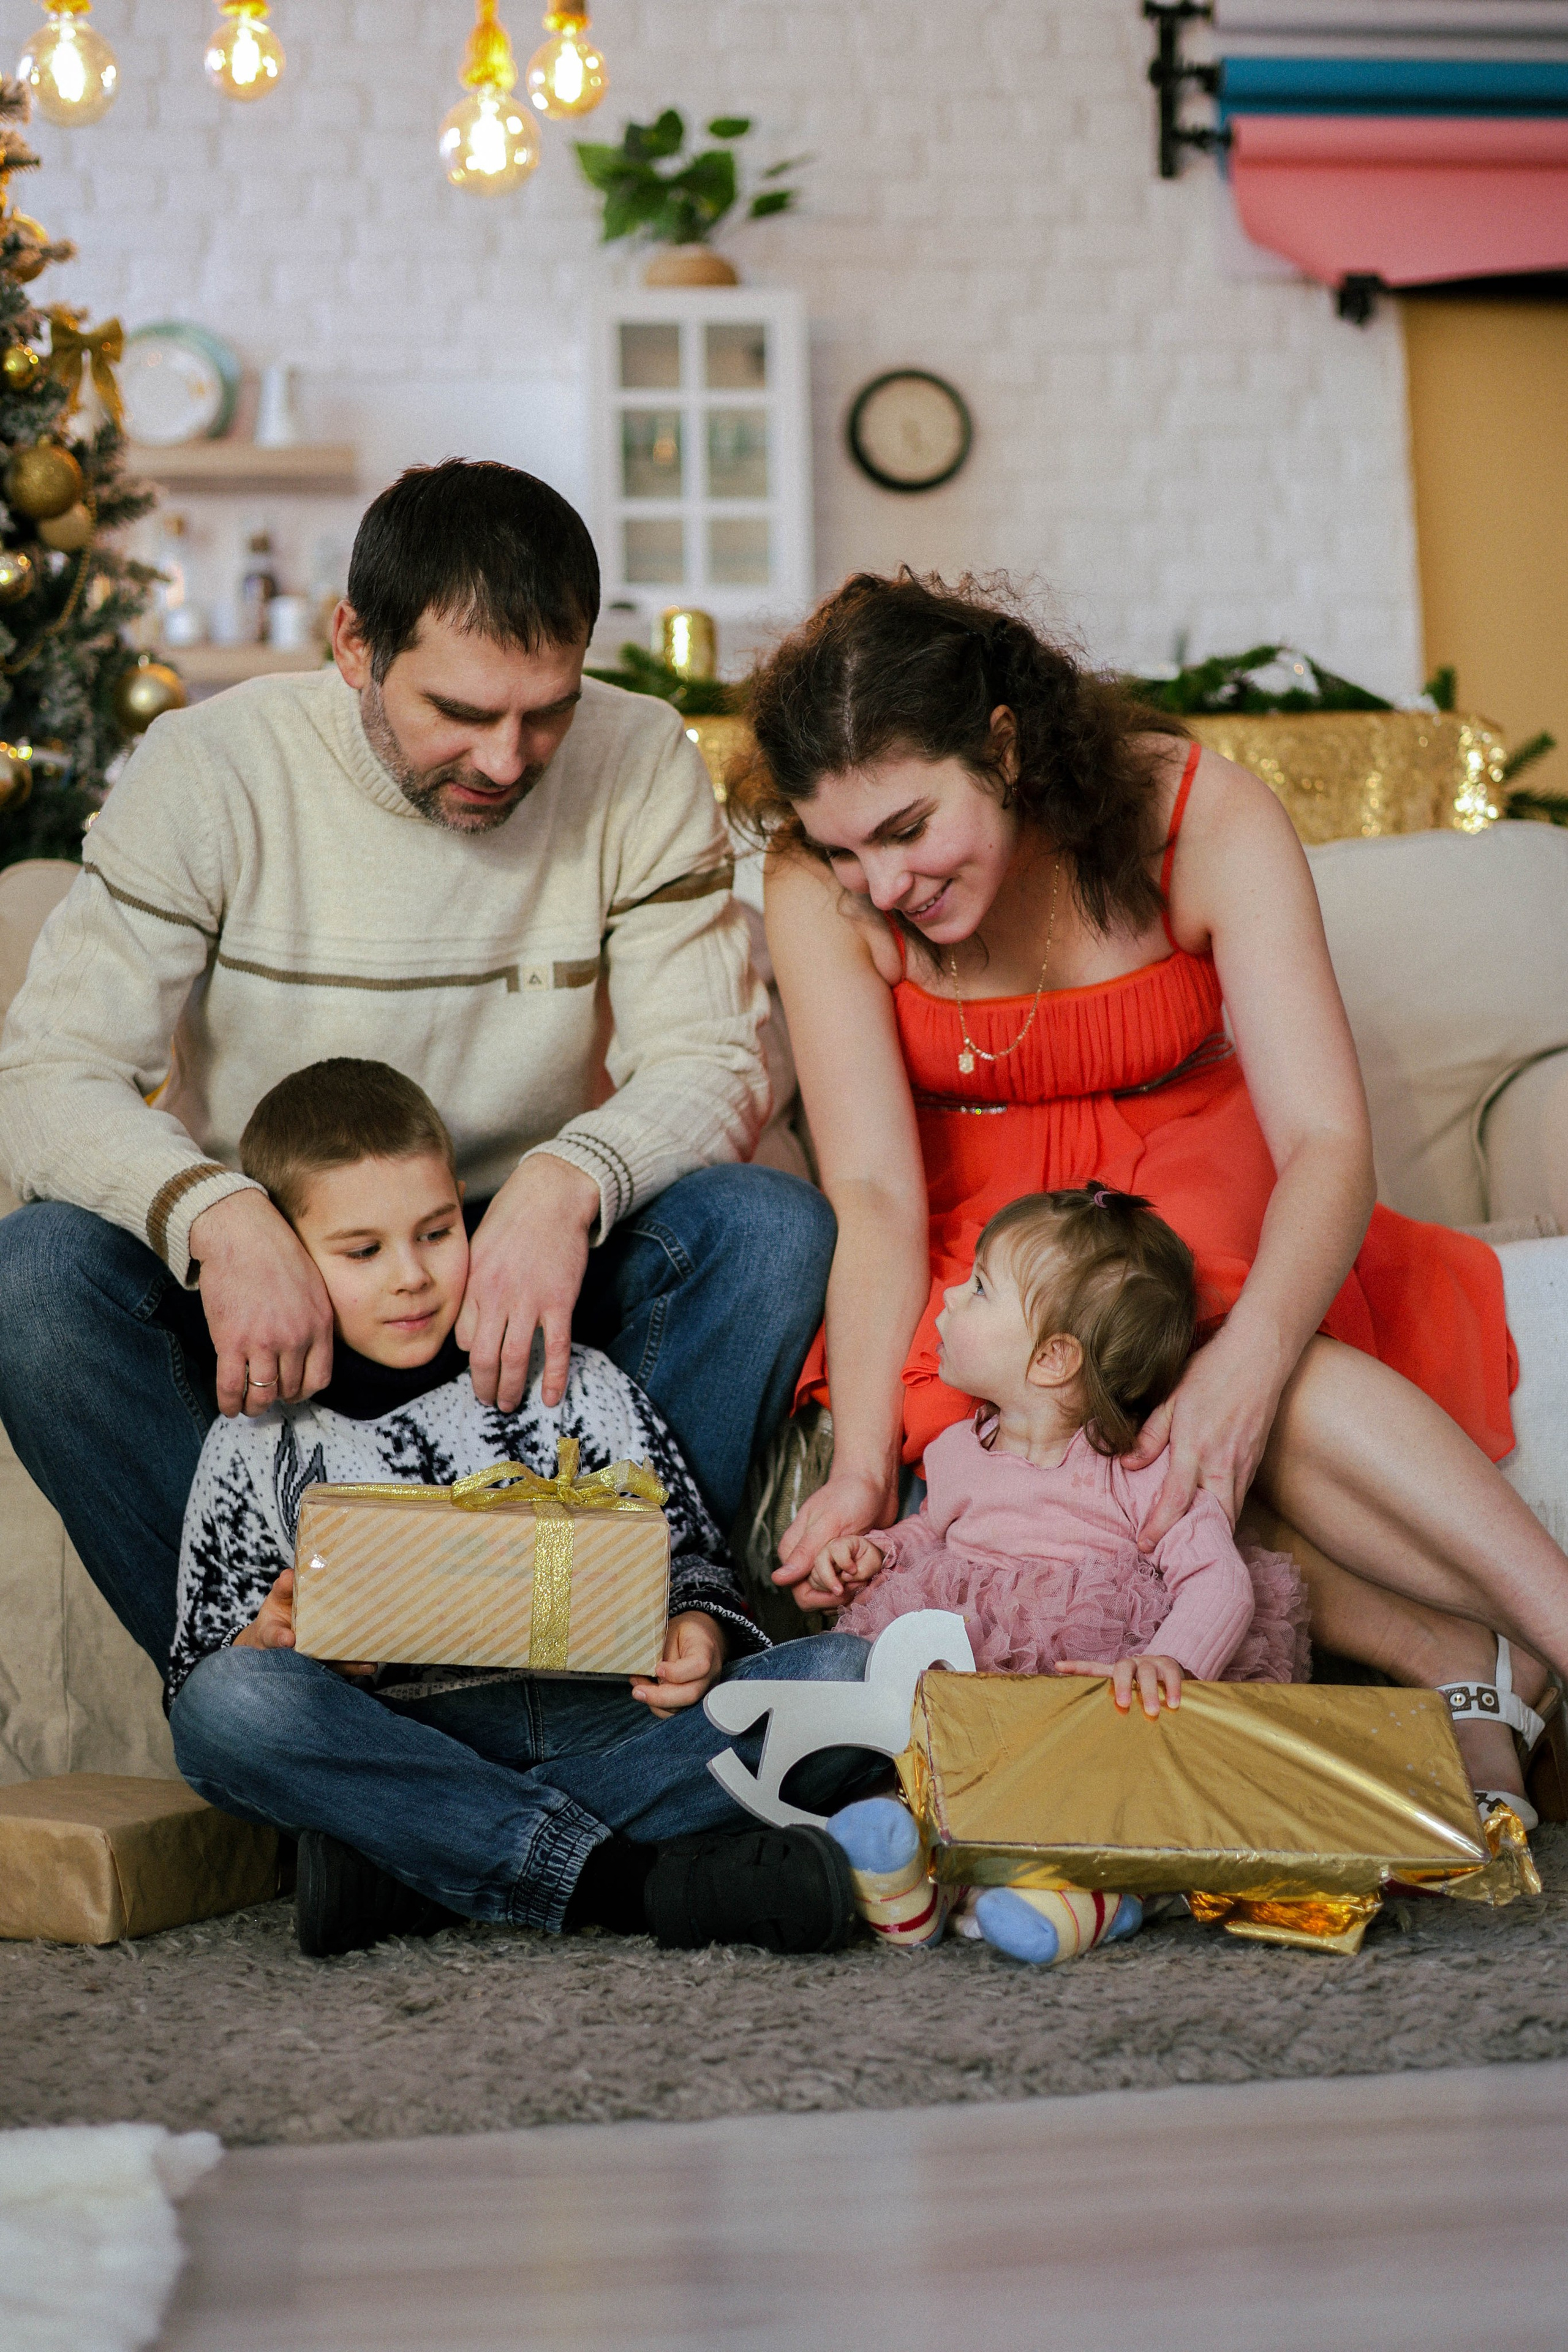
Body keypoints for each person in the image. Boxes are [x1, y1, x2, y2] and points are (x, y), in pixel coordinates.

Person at [738, 571, 1568, 1828]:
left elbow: (1327, 1141)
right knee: (1059, 1428)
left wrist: (1251, 1363)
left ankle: (1531, 1630)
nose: (882, 881)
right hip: (985, 1228)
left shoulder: (1195, 814)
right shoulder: (823, 893)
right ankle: (1452, 1658)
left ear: (1003, 746)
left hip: (1196, 1182)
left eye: (908, 828)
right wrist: (859, 1470)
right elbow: (870, 1193)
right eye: (844, 846)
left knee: (1221, 1359)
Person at [0, 460, 832, 1673]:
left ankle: (606, 1647)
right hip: (282, 1262)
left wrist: (567, 1183)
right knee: (35, 1278)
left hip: (521, 1257)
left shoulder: (639, 755)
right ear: (354, 644)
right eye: (460, 711)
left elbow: (710, 1057)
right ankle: (281, 1696)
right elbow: (49, 1075)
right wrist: (220, 1216)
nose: (507, 759)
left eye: (544, 710)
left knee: (765, 1226)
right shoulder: (210, 767)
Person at [170, 1057, 876, 1958]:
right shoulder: (256, 1437)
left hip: (608, 1722)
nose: (411, 1277)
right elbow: (206, 1664)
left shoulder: (567, 1375)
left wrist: (698, 1628)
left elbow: (691, 1553)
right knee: (227, 1708)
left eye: (437, 1233)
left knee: (851, 1679)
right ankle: (633, 1885)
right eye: (362, 1251)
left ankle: (420, 1866)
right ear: (288, 1256)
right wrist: (273, 1642)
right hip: (411, 1739)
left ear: (470, 1209)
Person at [788, 1186, 1308, 1694]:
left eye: (980, 1288)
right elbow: (935, 1529)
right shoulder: (957, 1448)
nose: (949, 1293)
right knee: (864, 1678)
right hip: (969, 1681)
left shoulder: (1136, 1472)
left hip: (1082, 1692)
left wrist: (1172, 1660)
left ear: (1051, 1359)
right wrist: (883, 1551)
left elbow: (1217, 1579)